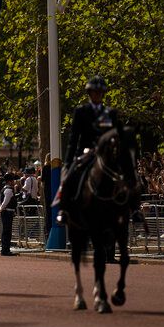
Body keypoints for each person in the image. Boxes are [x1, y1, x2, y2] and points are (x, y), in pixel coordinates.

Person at [54, 76, 121, 225]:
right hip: (85, 153)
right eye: (94, 92)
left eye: (100, 92)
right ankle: (63, 210)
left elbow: (115, 136)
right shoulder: (81, 112)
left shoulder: (110, 113)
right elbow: (74, 138)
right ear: (90, 94)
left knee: (127, 176)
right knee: (68, 177)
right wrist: (69, 161)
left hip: (105, 154)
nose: (97, 95)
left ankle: (134, 210)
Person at [0, 173, 18, 256]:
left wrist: (0, 209)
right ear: (9, 181)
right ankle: (5, 250)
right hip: (8, 212)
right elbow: (5, 202)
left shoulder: (4, 189)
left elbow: (0, 201)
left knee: (6, 231)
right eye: (13, 180)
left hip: (6, 212)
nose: (14, 182)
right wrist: (0, 209)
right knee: (7, 231)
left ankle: (5, 249)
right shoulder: (9, 189)